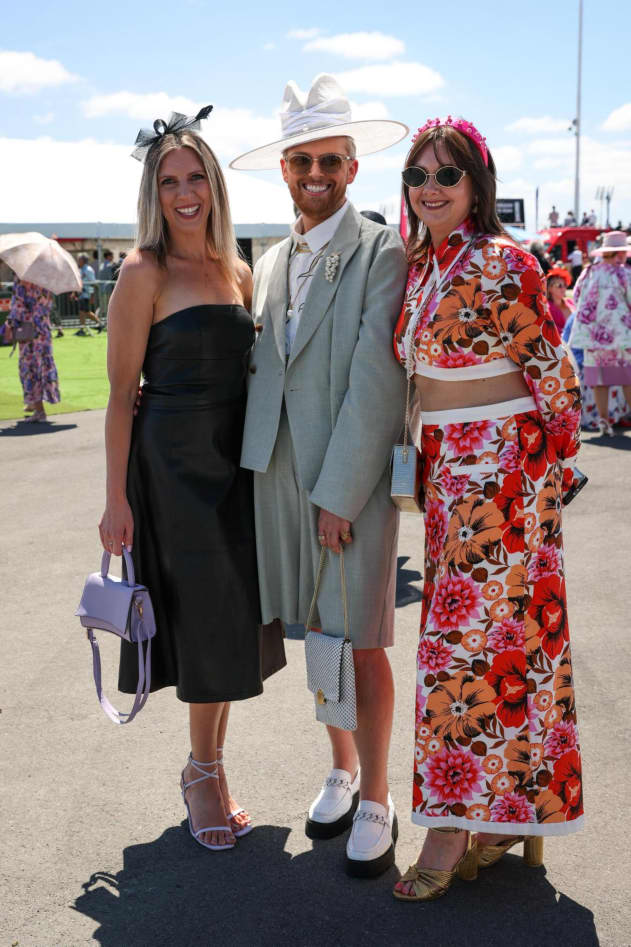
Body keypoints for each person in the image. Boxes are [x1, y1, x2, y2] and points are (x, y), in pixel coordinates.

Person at [392, 115, 584, 902]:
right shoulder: (423, 265)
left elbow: (552, 371)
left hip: (503, 479)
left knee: (465, 652)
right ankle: (504, 812)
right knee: (490, 652)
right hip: (449, 479)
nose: (430, 188)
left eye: (446, 175)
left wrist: (548, 473)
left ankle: (451, 823)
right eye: (417, 176)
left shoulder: (506, 262)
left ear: (476, 185)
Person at [230, 73, 409, 877]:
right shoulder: (267, 262)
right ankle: (339, 764)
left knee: (362, 641)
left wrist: (337, 493)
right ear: (284, 169)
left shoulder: (380, 251)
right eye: (300, 161)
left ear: (351, 167)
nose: (314, 175)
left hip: (348, 485)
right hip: (275, 478)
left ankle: (377, 792)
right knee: (318, 638)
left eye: (329, 161)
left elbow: (377, 379)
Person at [99, 106, 284, 853]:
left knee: (231, 622)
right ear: (154, 190)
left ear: (213, 183)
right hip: (171, 474)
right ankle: (204, 772)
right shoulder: (142, 271)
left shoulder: (236, 266)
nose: (185, 192)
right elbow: (118, 396)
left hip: (236, 470)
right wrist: (114, 499)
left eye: (195, 176)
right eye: (169, 180)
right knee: (204, 621)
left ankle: (203, 764)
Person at [569, 230, 631, 435]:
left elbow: (577, 298)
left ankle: (604, 422)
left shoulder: (588, 272)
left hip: (592, 336)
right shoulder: (624, 273)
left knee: (600, 382)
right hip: (620, 335)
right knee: (626, 379)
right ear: (619, 253)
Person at [4, 276, 60, 422]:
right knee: (42, 367)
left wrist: (9, 324)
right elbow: (47, 304)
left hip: (28, 330)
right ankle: (33, 404)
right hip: (43, 328)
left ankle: (39, 410)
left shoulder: (22, 280)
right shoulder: (46, 280)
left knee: (30, 369)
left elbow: (18, 308)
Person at [75, 253, 102, 335]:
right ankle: (83, 329)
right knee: (82, 311)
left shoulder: (88, 269)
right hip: (82, 294)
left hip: (86, 294)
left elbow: (93, 283)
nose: (78, 261)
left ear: (83, 260)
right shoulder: (81, 269)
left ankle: (100, 324)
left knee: (85, 312)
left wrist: (92, 295)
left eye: (79, 259)